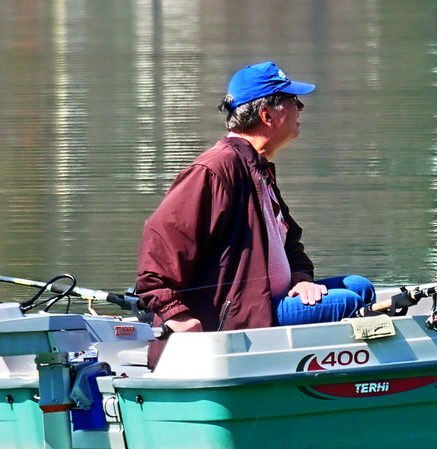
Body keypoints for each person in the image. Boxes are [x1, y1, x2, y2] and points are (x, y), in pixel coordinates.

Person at [135, 61, 374, 335]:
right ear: (266, 116)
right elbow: (159, 247)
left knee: (359, 286)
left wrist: (299, 278)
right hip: (236, 318)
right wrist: (174, 314)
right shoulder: (215, 170)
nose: (301, 108)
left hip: (261, 301)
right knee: (345, 303)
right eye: (292, 100)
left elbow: (290, 243)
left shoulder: (256, 168)